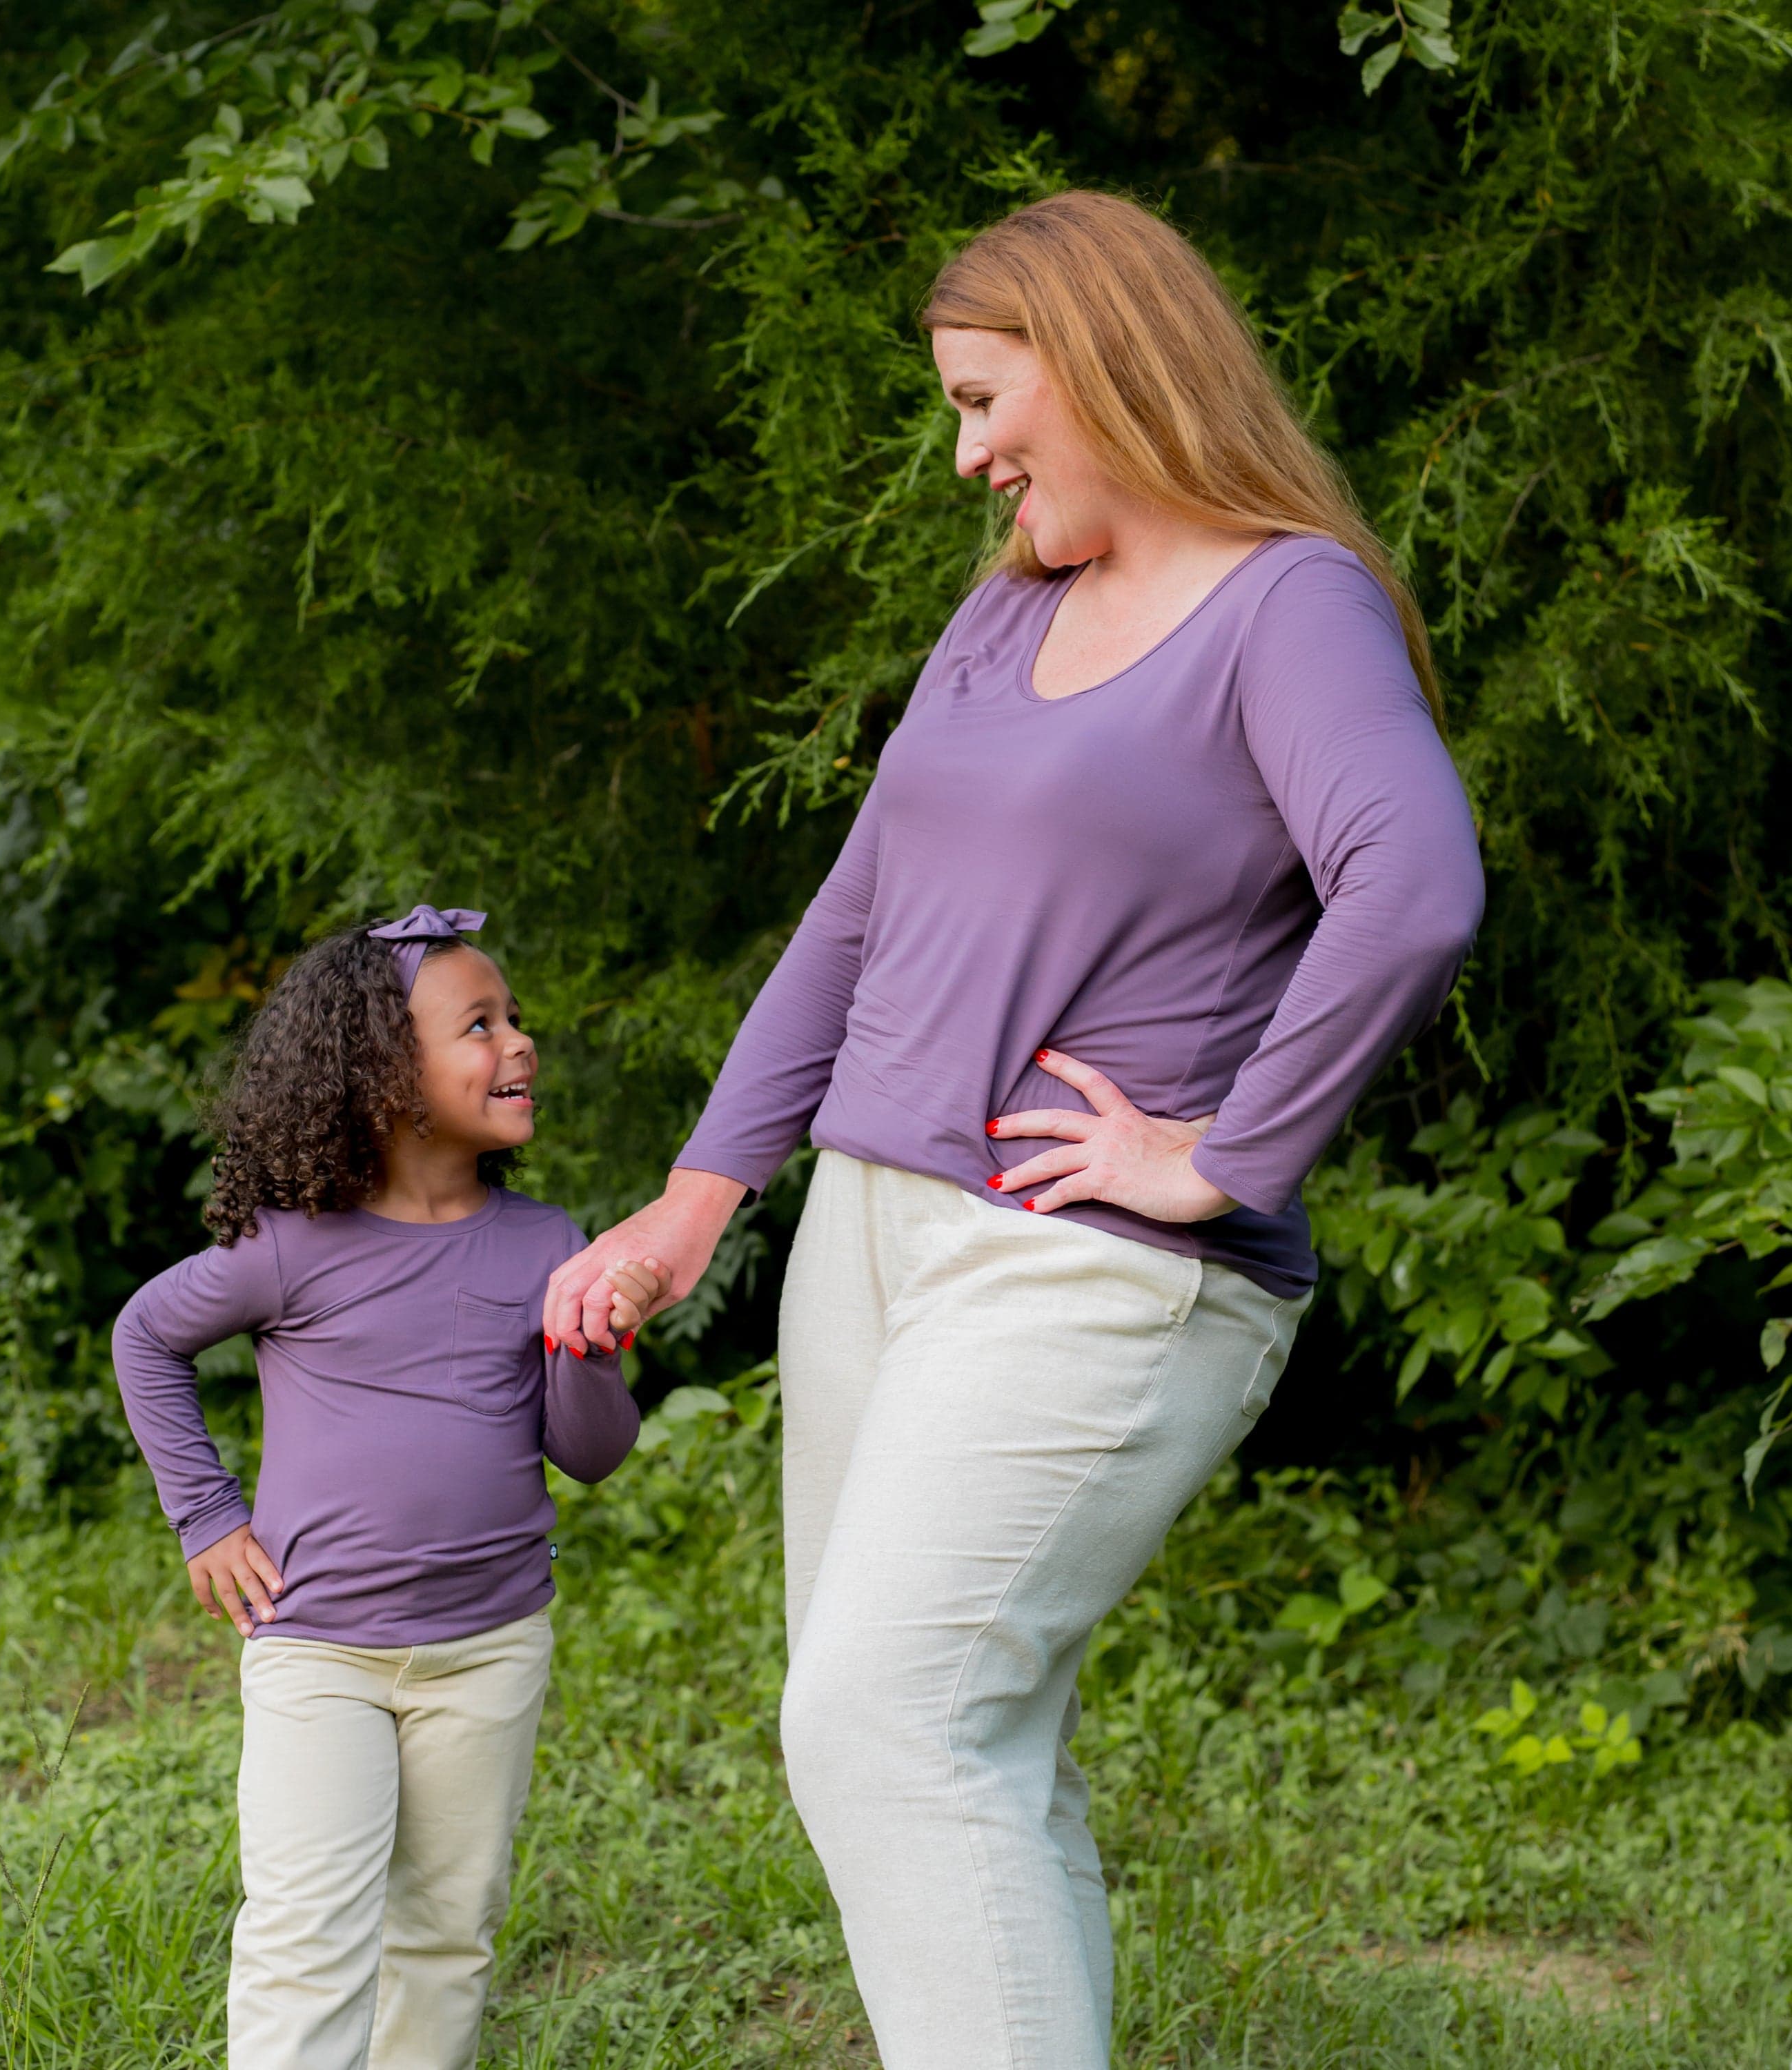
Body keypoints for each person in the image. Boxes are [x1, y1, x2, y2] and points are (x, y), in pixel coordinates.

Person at [547, 190, 1486, 2069]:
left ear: (1108, 359)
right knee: (955, 1745)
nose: (971, 456)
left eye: (986, 402)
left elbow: (1418, 883)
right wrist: (692, 1204)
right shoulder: (1010, 609)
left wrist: (1220, 1157)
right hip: (869, 1239)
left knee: (886, 1725)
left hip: (1086, 1260)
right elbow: (855, 910)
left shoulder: (1283, 602)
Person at [112, 905, 662, 2070]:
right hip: (319, 1650)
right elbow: (146, 1337)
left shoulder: (546, 1241)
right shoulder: (291, 1243)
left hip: (492, 1647)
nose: (518, 1042)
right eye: (480, 1023)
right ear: (381, 1076)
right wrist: (207, 1513)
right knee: (308, 1938)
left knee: (446, 1937)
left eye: (516, 1019)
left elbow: (591, 1451)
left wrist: (590, 1339)